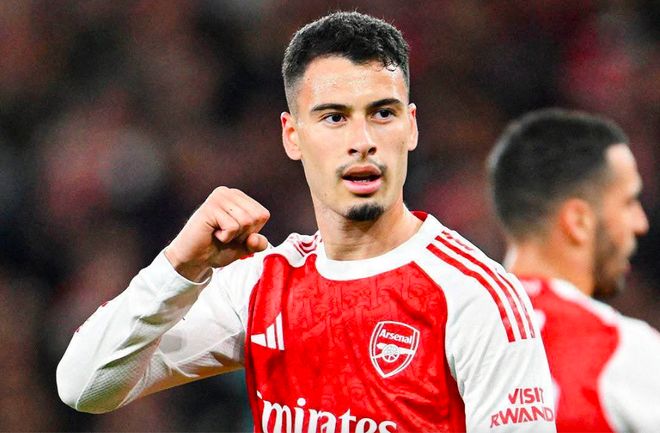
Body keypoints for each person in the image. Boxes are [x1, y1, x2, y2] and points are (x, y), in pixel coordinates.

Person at [57, 12, 556, 433]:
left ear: (411, 127)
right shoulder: (261, 285)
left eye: (382, 114)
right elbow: (84, 386)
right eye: (334, 117)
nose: (362, 141)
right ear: (292, 136)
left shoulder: (474, 297)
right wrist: (178, 268)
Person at [487, 108, 660, 432]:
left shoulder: (440, 341)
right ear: (578, 221)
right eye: (628, 202)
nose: (640, 223)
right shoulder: (619, 350)